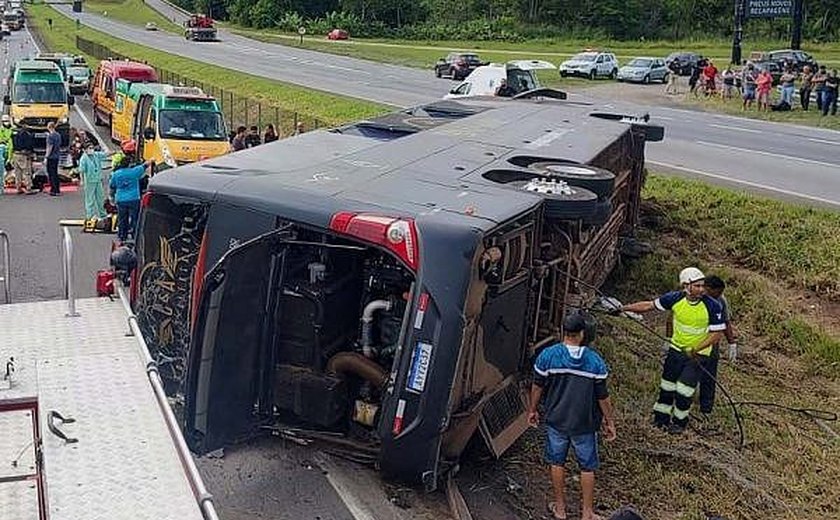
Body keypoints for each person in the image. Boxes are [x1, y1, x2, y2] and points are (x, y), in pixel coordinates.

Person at [528, 314, 616, 520]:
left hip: (556, 420)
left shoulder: (548, 356)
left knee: (557, 462)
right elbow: (603, 396)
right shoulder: (595, 362)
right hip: (585, 424)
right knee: (587, 466)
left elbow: (537, 386)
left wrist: (532, 410)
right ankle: (587, 513)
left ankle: (560, 509)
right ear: (583, 334)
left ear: (563, 331)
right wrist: (609, 421)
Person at [616, 267, 725, 433]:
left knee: (684, 389)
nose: (701, 289)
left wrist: (697, 348)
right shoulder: (674, 299)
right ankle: (661, 419)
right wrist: (623, 308)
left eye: (702, 286)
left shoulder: (712, 306)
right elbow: (648, 305)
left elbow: (717, 335)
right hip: (676, 351)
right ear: (686, 286)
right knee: (667, 386)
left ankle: (679, 423)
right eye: (697, 286)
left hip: (698, 355)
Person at [109, 155, 150, 243]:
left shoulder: (116, 174)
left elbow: (112, 186)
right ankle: (135, 236)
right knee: (135, 218)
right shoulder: (134, 172)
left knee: (122, 219)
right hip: (134, 199)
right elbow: (145, 165)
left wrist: (111, 198)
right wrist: (152, 160)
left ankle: (122, 236)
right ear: (129, 164)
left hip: (121, 200)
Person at [79, 144, 109, 219]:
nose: (91, 150)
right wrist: (82, 180)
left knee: (100, 198)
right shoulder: (84, 159)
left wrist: (115, 152)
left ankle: (103, 214)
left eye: (92, 148)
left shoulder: (96, 155)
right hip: (89, 181)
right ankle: (90, 215)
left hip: (98, 180)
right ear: (85, 150)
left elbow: (105, 155)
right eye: (89, 148)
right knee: (90, 199)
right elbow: (81, 171)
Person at [11, 124, 35, 194]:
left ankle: (18, 188)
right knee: (27, 172)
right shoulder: (27, 135)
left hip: (15, 154)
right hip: (23, 155)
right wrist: (32, 153)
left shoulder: (15, 134)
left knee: (17, 173)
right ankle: (28, 188)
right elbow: (29, 145)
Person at [45, 122, 63, 196]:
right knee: (55, 173)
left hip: (51, 157)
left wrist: (46, 157)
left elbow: (50, 147)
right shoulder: (58, 135)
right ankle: (57, 189)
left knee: (51, 173)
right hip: (57, 156)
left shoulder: (50, 136)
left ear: (49, 127)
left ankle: (53, 190)